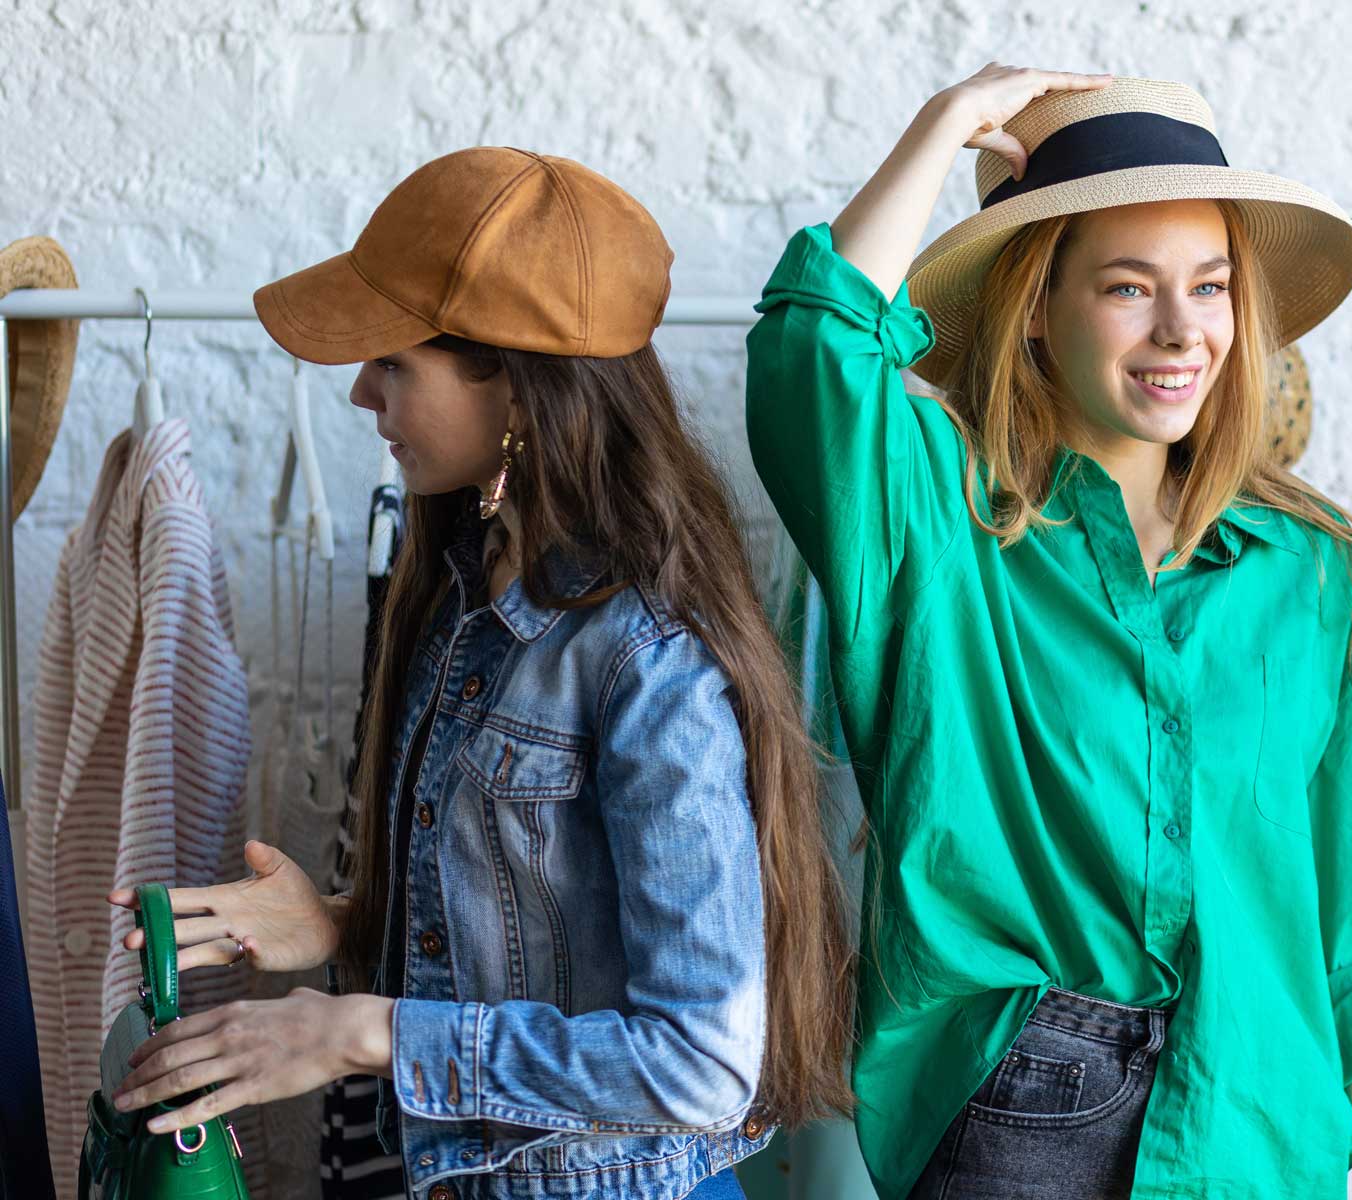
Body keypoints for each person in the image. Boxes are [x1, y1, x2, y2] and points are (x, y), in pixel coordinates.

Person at [746, 67, 1352, 1199]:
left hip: (1260, 1127)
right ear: (1035, 306)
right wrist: (940, 125)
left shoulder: (1308, 569)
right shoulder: (944, 528)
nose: (1182, 329)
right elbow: (811, 360)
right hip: (1024, 1116)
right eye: (1128, 289)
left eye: (1211, 286)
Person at [106, 146, 854, 1200]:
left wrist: (368, 1032)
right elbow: (543, 926)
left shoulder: (649, 659)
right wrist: (344, 921)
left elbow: (700, 1065)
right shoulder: (465, 594)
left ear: (514, 383)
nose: (361, 391)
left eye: (393, 362)